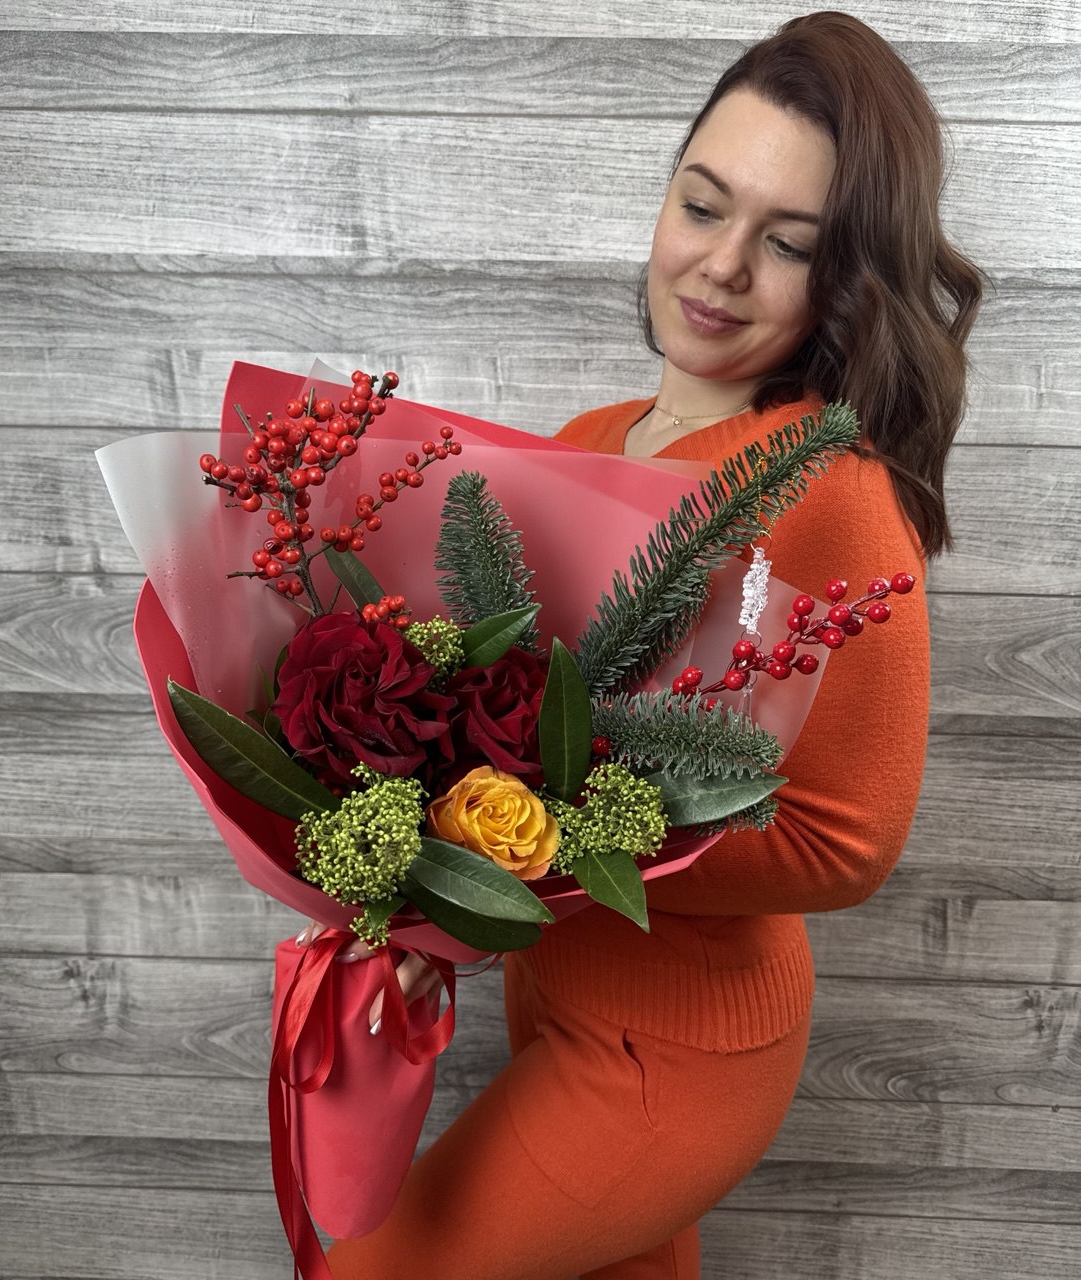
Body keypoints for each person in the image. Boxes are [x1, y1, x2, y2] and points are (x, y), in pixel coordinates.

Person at [318, 13, 983, 1278]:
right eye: (703, 204)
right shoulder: (592, 436)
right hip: (559, 994)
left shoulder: (829, 487)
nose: (721, 266)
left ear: (845, 278)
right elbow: (507, 721)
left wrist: (544, 834)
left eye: (788, 243)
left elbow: (850, 839)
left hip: (678, 1050)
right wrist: (437, 887)